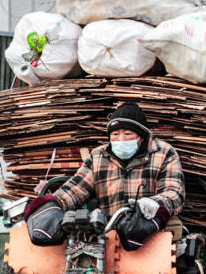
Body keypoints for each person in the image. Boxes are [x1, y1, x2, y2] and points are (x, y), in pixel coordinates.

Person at [23, 102, 185, 246]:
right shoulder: (99, 156)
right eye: (115, 134)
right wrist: (52, 204)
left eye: (127, 134)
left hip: (148, 234)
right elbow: (76, 189)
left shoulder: (163, 153)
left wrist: (153, 204)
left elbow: (174, 193)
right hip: (106, 233)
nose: (121, 139)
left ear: (141, 137)